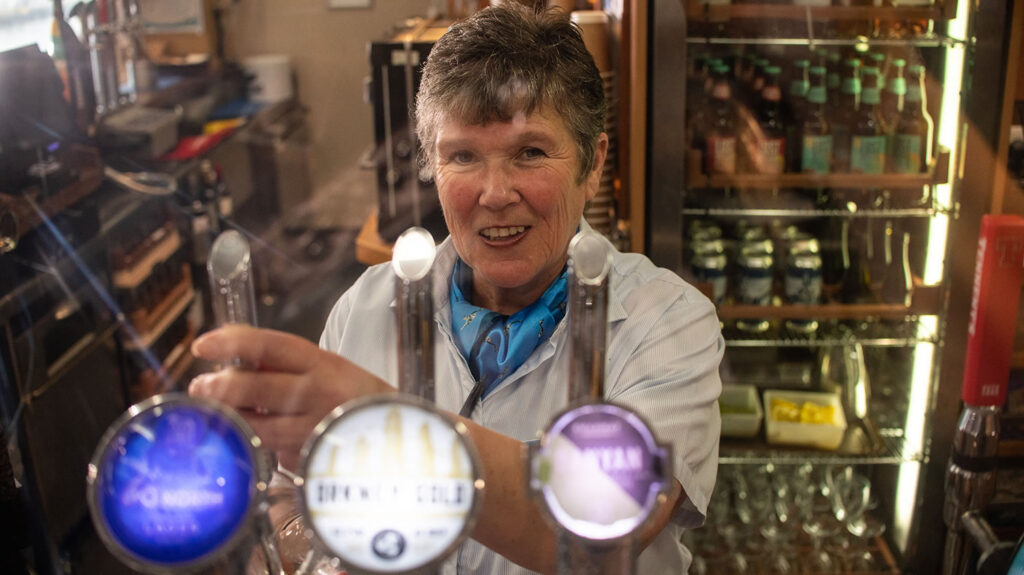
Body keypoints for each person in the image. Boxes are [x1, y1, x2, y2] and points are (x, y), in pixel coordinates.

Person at [189, 4, 723, 573]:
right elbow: (292, 493)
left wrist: (383, 420)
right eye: (463, 156)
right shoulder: (364, 307)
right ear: (432, 167)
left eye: (531, 153)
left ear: (593, 164)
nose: (495, 192)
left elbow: (598, 527)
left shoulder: (667, 323)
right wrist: (310, 553)